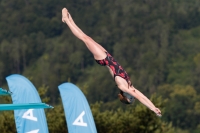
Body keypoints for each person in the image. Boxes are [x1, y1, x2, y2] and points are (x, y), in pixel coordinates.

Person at [62, 8, 162, 117]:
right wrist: (153, 107)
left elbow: (139, 97)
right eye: (133, 99)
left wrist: (152, 109)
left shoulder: (123, 87)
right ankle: (70, 20)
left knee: (85, 39)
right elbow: (142, 97)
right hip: (107, 56)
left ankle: (67, 20)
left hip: (104, 59)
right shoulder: (129, 86)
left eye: (131, 99)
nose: (133, 97)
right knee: (87, 38)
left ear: (126, 96)